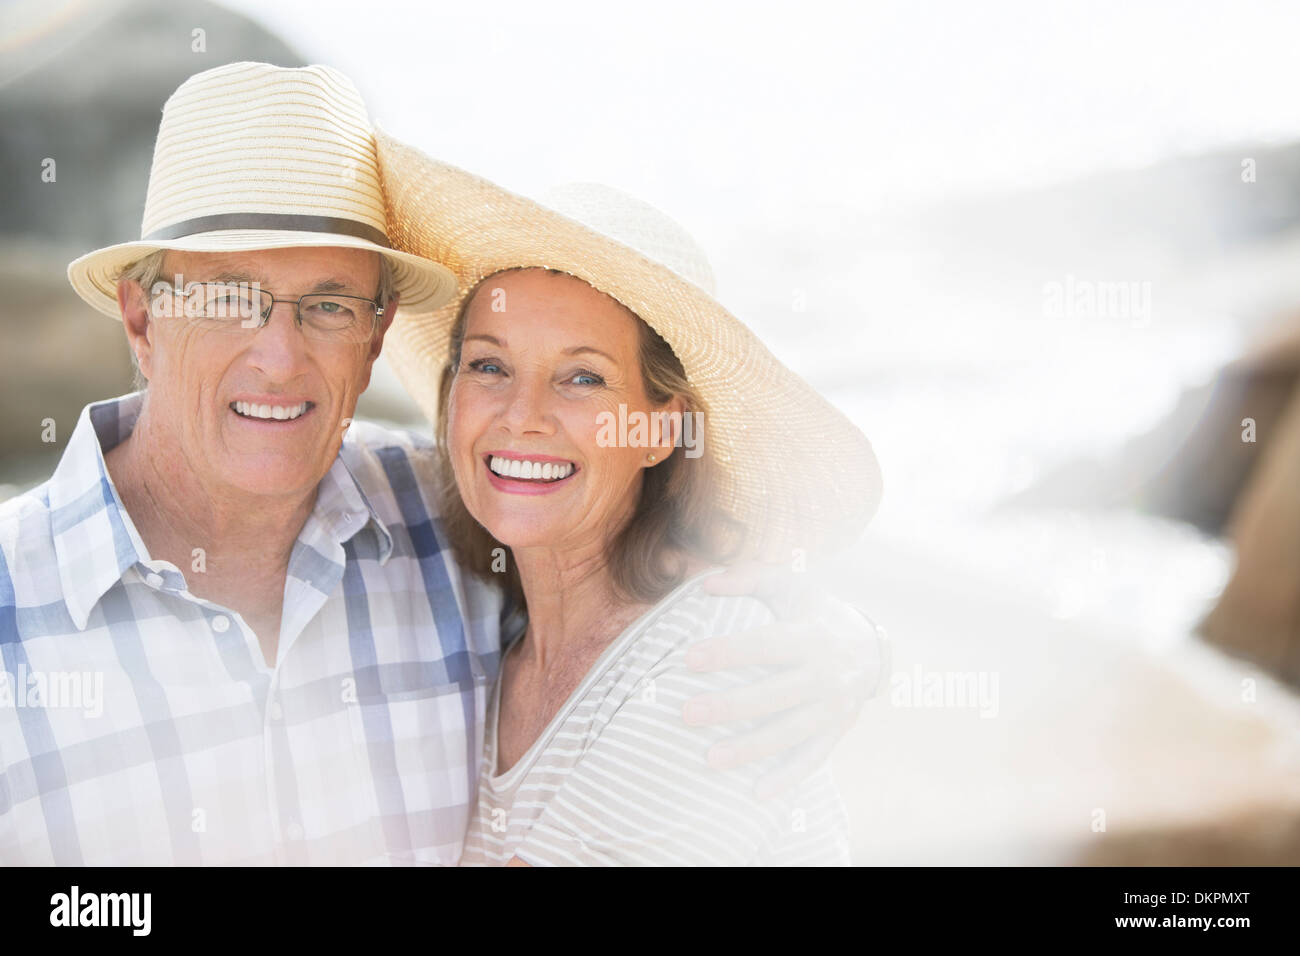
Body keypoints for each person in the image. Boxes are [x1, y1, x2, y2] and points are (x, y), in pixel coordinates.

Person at [0, 62, 883, 865]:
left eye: (330, 306)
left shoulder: (448, 518)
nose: (279, 358)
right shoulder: (12, 602)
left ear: (378, 335)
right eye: (231, 297)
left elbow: (641, 585)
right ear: (143, 320)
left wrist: (843, 639)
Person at [374, 136, 884, 864]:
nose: (521, 415)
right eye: (489, 365)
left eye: (582, 378)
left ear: (659, 429)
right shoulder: (499, 638)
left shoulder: (717, 658)